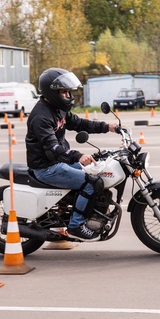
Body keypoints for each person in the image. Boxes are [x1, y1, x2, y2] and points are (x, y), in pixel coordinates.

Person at [26, 68, 117, 241]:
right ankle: (75, 226)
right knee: (91, 182)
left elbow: (79, 123)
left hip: (60, 161)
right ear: (52, 92)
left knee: (97, 172)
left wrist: (107, 127)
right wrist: (78, 155)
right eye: (64, 92)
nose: (68, 95)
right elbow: (53, 148)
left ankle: (78, 212)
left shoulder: (58, 109)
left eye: (68, 92)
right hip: (47, 167)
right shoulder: (41, 117)